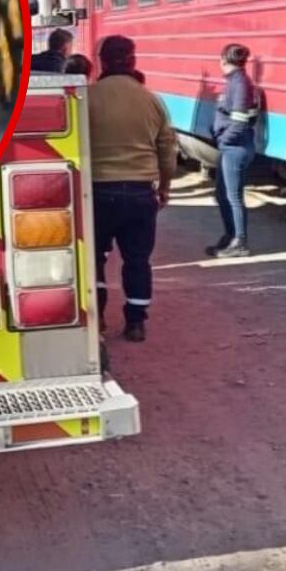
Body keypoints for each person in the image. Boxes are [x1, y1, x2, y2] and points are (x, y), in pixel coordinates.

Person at [86, 35, 177, 342]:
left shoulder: (87, 97)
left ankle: (96, 321)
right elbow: (167, 149)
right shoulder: (151, 99)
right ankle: (135, 322)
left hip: (96, 193)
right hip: (140, 193)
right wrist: (164, 186)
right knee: (137, 260)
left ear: (102, 61)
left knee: (95, 258)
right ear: (133, 61)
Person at [207, 43, 260, 258]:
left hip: (234, 148)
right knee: (222, 194)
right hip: (231, 147)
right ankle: (230, 236)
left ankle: (240, 241)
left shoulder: (239, 84)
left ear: (223, 60)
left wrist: (223, 140)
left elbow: (240, 121)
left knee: (233, 197)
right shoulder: (237, 82)